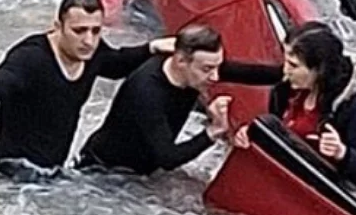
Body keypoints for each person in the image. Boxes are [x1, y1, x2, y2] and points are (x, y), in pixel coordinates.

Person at [0, 0, 169, 181]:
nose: (88, 40)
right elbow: (3, 79)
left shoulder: (93, 52)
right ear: (58, 26)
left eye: (96, 31)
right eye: (79, 31)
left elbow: (116, 63)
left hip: (51, 171)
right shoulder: (31, 57)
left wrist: (152, 48)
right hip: (11, 172)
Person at [75, 25, 281, 175]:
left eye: (218, 66)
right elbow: (168, 158)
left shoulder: (198, 69)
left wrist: (292, 73)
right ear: (181, 60)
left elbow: (251, 73)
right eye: (208, 69)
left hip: (144, 167)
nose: (216, 77)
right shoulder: (147, 92)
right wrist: (213, 131)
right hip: (104, 173)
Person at [234, 21, 356, 191]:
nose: (285, 71)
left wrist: (342, 153)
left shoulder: (355, 108)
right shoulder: (286, 91)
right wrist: (253, 134)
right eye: (285, 62)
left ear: (319, 70)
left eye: (293, 65)